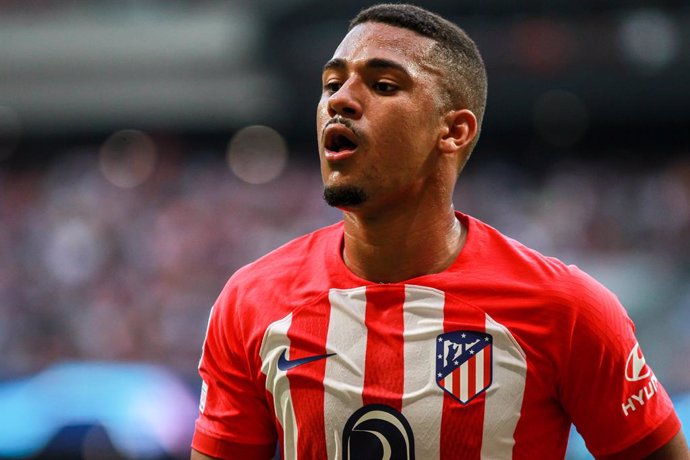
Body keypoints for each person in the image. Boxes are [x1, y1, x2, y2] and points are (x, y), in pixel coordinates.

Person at [191, 4, 689, 459]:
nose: (340, 100)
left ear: (453, 131)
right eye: (331, 85)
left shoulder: (568, 309)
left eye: (383, 85)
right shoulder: (251, 301)